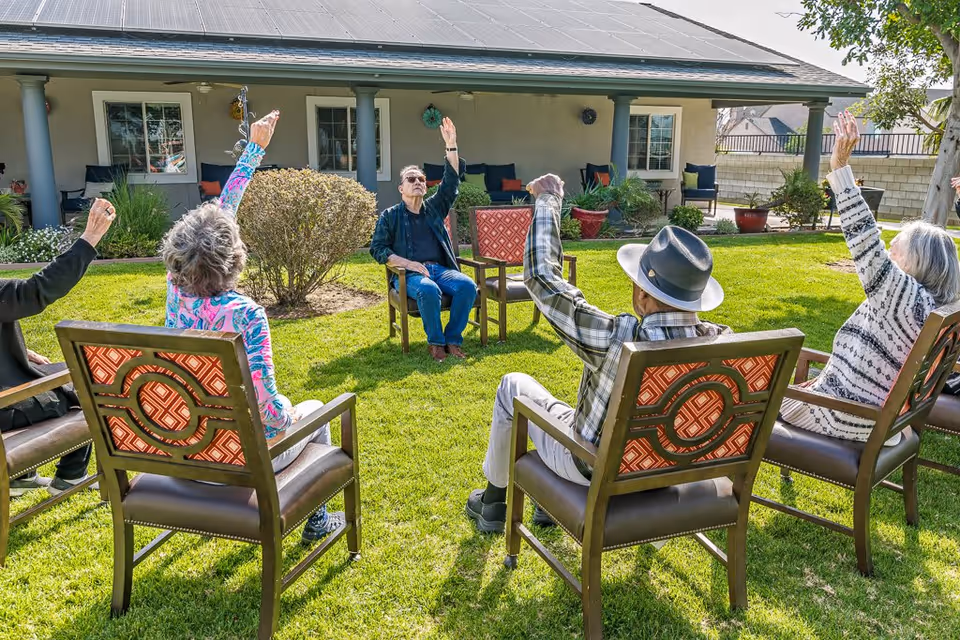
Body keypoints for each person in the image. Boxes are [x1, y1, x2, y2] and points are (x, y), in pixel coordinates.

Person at [465, 172, 731, 534]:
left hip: (596, 469)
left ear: (642, 294)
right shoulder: (722, 343)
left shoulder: (619, 339)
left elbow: (542, 278)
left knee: (513, 386)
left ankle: (493, 502)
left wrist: (547, 201)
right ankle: (544, 505)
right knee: (580, 410)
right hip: (667, 470)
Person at [156, 111, 340, 544]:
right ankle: (316, 521)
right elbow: (271, 415)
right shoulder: (246, 316)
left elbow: (220, 217)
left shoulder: (173, 288)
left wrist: (254, 149)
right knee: (313, 411)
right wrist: (290, 411)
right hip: (241, 460)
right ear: (234, 257)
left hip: (187, 445)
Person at [779, 112, 960, 443]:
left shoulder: (905, 298)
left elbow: (865, 241)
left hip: (844, 417)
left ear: (919, 262)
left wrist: (840, 168)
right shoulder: (941, 306)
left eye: (896, 250)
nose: (889, 254)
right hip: (884, 423)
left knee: (754, 401)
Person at [1, 199, 117, 496]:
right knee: (85, 381)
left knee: (61, 371)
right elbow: (37, 291)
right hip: (6, 405)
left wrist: (19, 350)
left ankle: (21, 477)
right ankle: (69, 475)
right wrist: (89, 239)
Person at [369, 118, 477, 363]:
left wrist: (451, 144)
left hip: (439, 269)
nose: (418, 182)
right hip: (410, 275)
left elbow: (450, 184)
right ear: (401, 189)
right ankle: (436, 343)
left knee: (468, 286)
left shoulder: (434, 208)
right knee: (428, 289)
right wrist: (408, 264)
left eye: (421, 179)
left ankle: (453, 340)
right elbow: (377, 249)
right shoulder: (390, 216)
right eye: (411, 179)